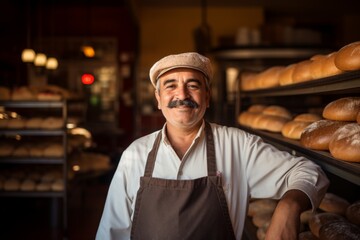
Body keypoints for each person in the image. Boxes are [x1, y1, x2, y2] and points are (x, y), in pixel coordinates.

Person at [96, 52, 329, 240]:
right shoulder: (135, 154)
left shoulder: (238, 145)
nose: (182, 94)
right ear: (158, 99)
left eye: (193, 85)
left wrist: (287, 208)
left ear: (207, 97)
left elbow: (309, 172)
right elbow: (111, 232)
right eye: (170, 86)